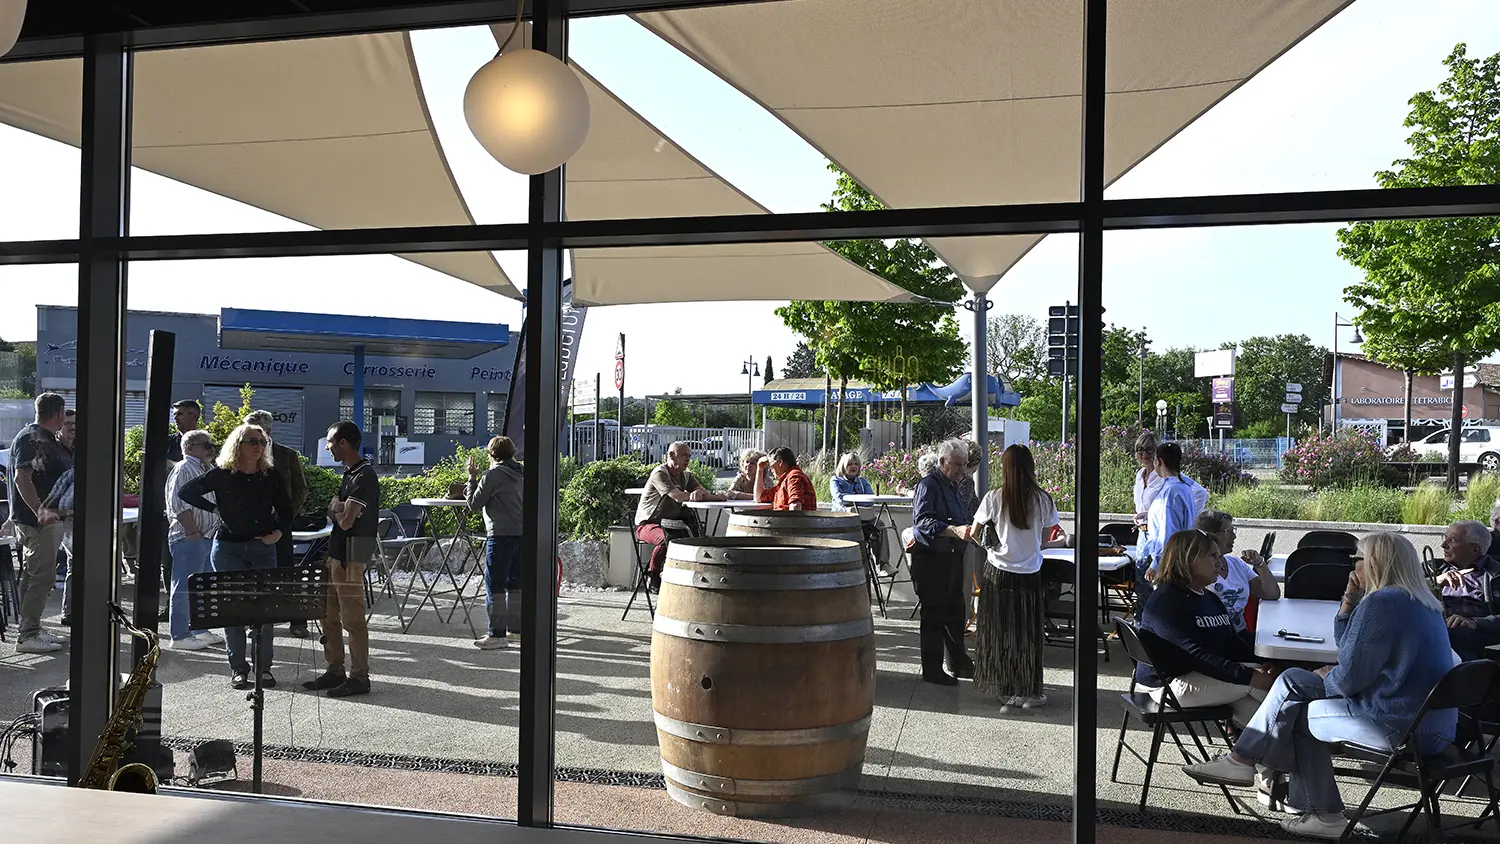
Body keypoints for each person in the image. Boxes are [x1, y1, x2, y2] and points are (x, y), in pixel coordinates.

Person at [1185, 532, 1459, 840]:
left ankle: (1316, 808)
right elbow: (1348, 645)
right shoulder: (1423, 602)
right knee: (1293, 681)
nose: (1353, 566)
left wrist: (1329, 675)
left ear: (1374, 563)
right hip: (1435, 726)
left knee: (1300, 713)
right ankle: (1249, 763)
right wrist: (1349, 601)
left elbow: (1349, 680)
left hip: (1399, 726)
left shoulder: (1383, 603)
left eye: (1357, 559)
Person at [180, 423, 292, 690]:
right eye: (252, 441)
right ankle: (238, 669)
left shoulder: (270, 474)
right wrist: (214, 509)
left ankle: (264, 668)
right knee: (233, 610)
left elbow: (287, 509)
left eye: (262, 442)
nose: (258, 447)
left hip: (262, 546)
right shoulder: (223, 474)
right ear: (238, 445)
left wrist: (278, 533)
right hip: (228, 547)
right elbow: (186, 492)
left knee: (264, 610)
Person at [1136, 529, 1271, 728]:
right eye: (1212, 556)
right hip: (1168, 684)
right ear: (1188, 559)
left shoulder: (1209, 598)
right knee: (1261, 685)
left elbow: (1232, 644)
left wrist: (1266, 661)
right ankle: (1297, 734)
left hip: (1198, 675)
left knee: (1259, 706)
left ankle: (1273, 743)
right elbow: (1194, 655)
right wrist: (1251, 676)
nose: (1220, 562)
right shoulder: (1167, 602)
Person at [971, 444, 1067, 709]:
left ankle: (1004, 688)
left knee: (1000, 631)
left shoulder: (994, 497)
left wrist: (992, 545)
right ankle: (1029, 691)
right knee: (1028, 634)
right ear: (1031, 468)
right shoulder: (1044, 500)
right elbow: (1046, 538)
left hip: (998, 572)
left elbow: (974, 533)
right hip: (1029, 574)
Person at [303, 421, 379, 698]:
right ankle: (335, 669)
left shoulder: (364, 475)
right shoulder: (350, 473)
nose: (328, 448)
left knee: (353, 619)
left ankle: (359, 677)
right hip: (336, 553)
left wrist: (335, 508)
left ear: (344, 443)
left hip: (351, 556)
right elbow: (342, 513)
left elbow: (346, 521)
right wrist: (338, 508)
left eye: (331, 443)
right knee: (328, 615)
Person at [9, 392, 71, 653]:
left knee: (33, 575)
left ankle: (31, 627)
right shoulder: (32, 438)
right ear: (59, 414)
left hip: (41, 520)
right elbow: (21, 478)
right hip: (39, 522)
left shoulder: (41, 437)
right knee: (41, 578)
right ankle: (28, 635)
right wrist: (40, 511)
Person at [909, 438, 975, 686]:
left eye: (964, 464)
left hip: (952, 557)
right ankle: (932, 670)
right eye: (957, 464)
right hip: (932, 559)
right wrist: (953, 530)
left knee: (956, 613)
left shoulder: (953, 485)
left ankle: (957, 663)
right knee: (934, 615)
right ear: (942, 461)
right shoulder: (928, 485)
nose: (961, 469)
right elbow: (923, 522)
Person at [245, 410, 309, 638]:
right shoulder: (241, 454)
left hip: (281, 524)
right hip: (252, 526)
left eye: (256, 432)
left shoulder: (287, 455)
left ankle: (297, 621)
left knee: (286, 571)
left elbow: (301, 488)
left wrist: (287, 516)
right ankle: (256, 623)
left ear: (268, 431)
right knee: (254, 574)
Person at [163, 429, 225, 650]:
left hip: (207, 535)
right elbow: (178, 504)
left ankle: (199, 630)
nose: (211, 449)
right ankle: (179, 636)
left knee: (202, 586)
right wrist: (192, 532)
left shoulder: (206, 468)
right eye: (206, 445)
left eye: (211, 445)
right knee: (183, 587)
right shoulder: (184, 469)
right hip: (189, 537)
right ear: (190, 448)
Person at [634, 442, 722, 593]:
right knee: (666, 540)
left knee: (694, 538)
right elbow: (677, 496)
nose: (688, 459)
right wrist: (697, 495)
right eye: (683, 455)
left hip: (670, 524)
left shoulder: (686, 476)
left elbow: (704, 492)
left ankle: (686, 578)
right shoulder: (660, 473)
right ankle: (653, 576)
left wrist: (706, 494)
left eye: (689, 456)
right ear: (671, 456)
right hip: (648, 524)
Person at [466, 436, 523, 650]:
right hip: (522, 533)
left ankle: (497, 635)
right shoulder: (522, 473)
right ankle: (516, 630)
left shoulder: (492, 475)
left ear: (491, 454)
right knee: (515, 584)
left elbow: (474, 504)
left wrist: (472, 478)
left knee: (495, 585)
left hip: (500, 534)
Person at [1130, 442, 1204, 603]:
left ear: (1159, 461)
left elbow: (1167, 531)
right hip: (1180, 557)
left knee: (1164, 604)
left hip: (1169, 562)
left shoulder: (1169, 492)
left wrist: (1156, 564)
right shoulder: (1183, 487)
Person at [1195, 509, 1279, 636]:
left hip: (1239, 634)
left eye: (1233, 530)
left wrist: (1259, 564)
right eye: (1229, 531)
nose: (1234, 536)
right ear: (1211, 534)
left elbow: (1271, 594)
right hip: (1214, 637)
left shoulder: (1237, 564)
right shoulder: (1198, 569)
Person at [1130, 431, 1209, 528]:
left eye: (1149, 449)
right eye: (1140, 449)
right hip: (1143, 531)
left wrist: (1184, 522)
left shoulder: (1166, 474)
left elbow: (1200, 493)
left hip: (1160, 530)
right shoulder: (1140, 475)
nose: (1144, 454)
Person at [830, 451, 887, 574]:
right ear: (843, 466)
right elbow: (840, 498)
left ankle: (882, 565)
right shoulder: (836, 480)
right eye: (850, 464)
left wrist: (852, 500)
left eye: (856, 464)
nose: (853, 467)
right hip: (844, 519)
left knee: (880, 525)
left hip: (863, 518)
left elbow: (870, 500)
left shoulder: (863, 481)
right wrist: (860, 499)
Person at [1433, 520, 1499, 621]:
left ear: (1474, 549)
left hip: (1472, 630)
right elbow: (1407, 593)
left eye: (1452, 540)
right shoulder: (1431, 568)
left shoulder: (1496, 575)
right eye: (1445, 538)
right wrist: (1434, 582)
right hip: (1432, 628)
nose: (1443, 545)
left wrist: (1475, 623)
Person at [57, 409, 76, 626]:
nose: (72, 428)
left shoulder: (84, 449)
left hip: (81, 515)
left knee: (79, 562)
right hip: (59, 515)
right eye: (68, 423)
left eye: (76, 424)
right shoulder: (52, 450)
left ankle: (73, 610)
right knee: (76, 561)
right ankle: (69, 612)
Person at [754, 447, 816, 511]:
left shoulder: (794, 477)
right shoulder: (784, 481)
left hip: (792, 517)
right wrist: (760, 469)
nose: (770, 469)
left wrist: (790, 518)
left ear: (780, 462)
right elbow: (759, 498)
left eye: (770, 465)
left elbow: (795, 506)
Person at [165, 398, 202, 463]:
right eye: (174, 414)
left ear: (193, 417)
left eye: (179, 414)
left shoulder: (206, 444)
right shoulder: (166, 442)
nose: (175, 418)